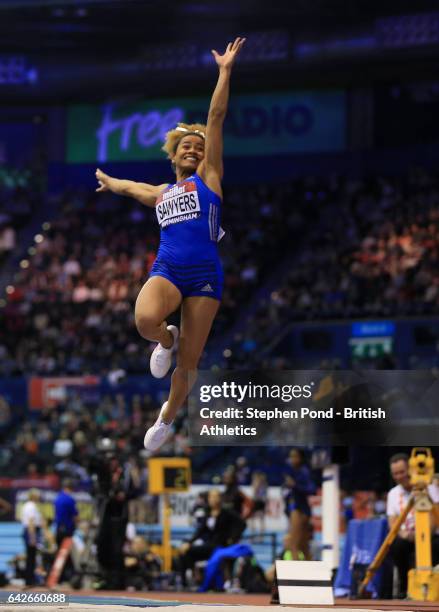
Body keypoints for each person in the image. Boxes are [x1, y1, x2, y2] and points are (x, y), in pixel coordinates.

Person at [95, 37, 246, 452]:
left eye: (199, 146)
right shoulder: (162, 191)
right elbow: (133, 188)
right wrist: (110, 182)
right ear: (174, 155)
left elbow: (215, 116)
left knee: (190, 363)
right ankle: (165, 337)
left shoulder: (209, 178)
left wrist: (225, 71)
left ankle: (166, 418)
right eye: (187, 146)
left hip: (204, 276)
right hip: (169, 269)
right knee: (144, 320)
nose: (195, 148)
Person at [386, 453, 439, 598]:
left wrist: (422, 535)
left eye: (402, 472)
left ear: (410, 469)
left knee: (434, 546)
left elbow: (435, 517)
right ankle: (404, 589)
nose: (399, 476)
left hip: (430, 535)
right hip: (407, 537)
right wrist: (405, 535)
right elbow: (393, 523)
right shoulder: (393, 494)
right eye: (395, 474)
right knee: (396, 545)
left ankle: (431, 589)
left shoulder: (430, 487)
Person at [282, 448, 315, 560]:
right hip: (297, 508)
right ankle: (312, 572)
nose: (292, 459)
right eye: (291, 456)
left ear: (300, 458)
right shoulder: (292, 472)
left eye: (295, 456)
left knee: (293, 544)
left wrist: (294, 485)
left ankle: (296, 574)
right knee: (303, 546)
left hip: (300, 509)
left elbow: (311, 489)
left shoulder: (303, 471)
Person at [20, 488, 43, 586]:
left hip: (30, 531)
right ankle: (30, 580)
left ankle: (30, 579)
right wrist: (32, 536)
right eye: (38, 495)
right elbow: (31, 522)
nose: (39, 497)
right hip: (31, 531)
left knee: (31, 556)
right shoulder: (31, 506)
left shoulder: (28, 506)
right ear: (34, 496)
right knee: (31, 557)